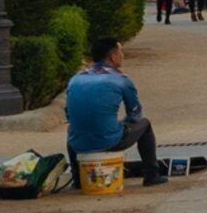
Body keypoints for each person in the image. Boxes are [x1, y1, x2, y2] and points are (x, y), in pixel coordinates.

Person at [65, 36, 168, 183]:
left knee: (73, 129)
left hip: (79, 143)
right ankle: (151, 174)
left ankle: (78, 179)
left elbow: (69, 116)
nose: (123, 56)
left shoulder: (75, 79)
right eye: (121, 52)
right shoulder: (121, 79)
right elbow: (135, 115)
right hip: (109, 141)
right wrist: (122, 124)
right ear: (113, 57)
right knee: (145, 125)